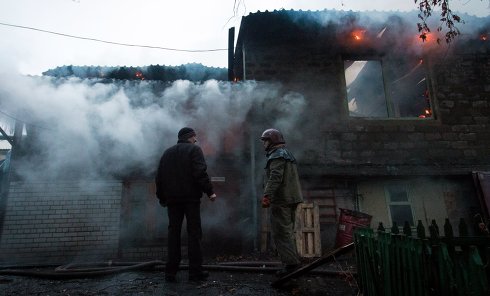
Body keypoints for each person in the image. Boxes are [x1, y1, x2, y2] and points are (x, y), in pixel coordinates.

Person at [155, 127, 217, 282]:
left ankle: (170, 273)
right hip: (191, 200)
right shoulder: (194, 150)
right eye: (195, 137)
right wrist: (210, 191)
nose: (196, 140)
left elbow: (159, 177)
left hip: (172, 201)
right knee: (194, 234)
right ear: (190, 137)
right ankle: (195, 272)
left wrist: (162, 197)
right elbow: (200, 173)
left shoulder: (167, 153)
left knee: (173, 234)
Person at [260, 128, 304, 277]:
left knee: (281, 232)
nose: (264, 144)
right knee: (287, 231)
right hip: (292, 198)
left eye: (265, 140)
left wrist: (267, 195)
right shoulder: (287, 154)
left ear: (272, 140)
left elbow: (275, 177)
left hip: (282, 200)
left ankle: (291, 265)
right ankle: (291, 263)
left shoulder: (277, 155)